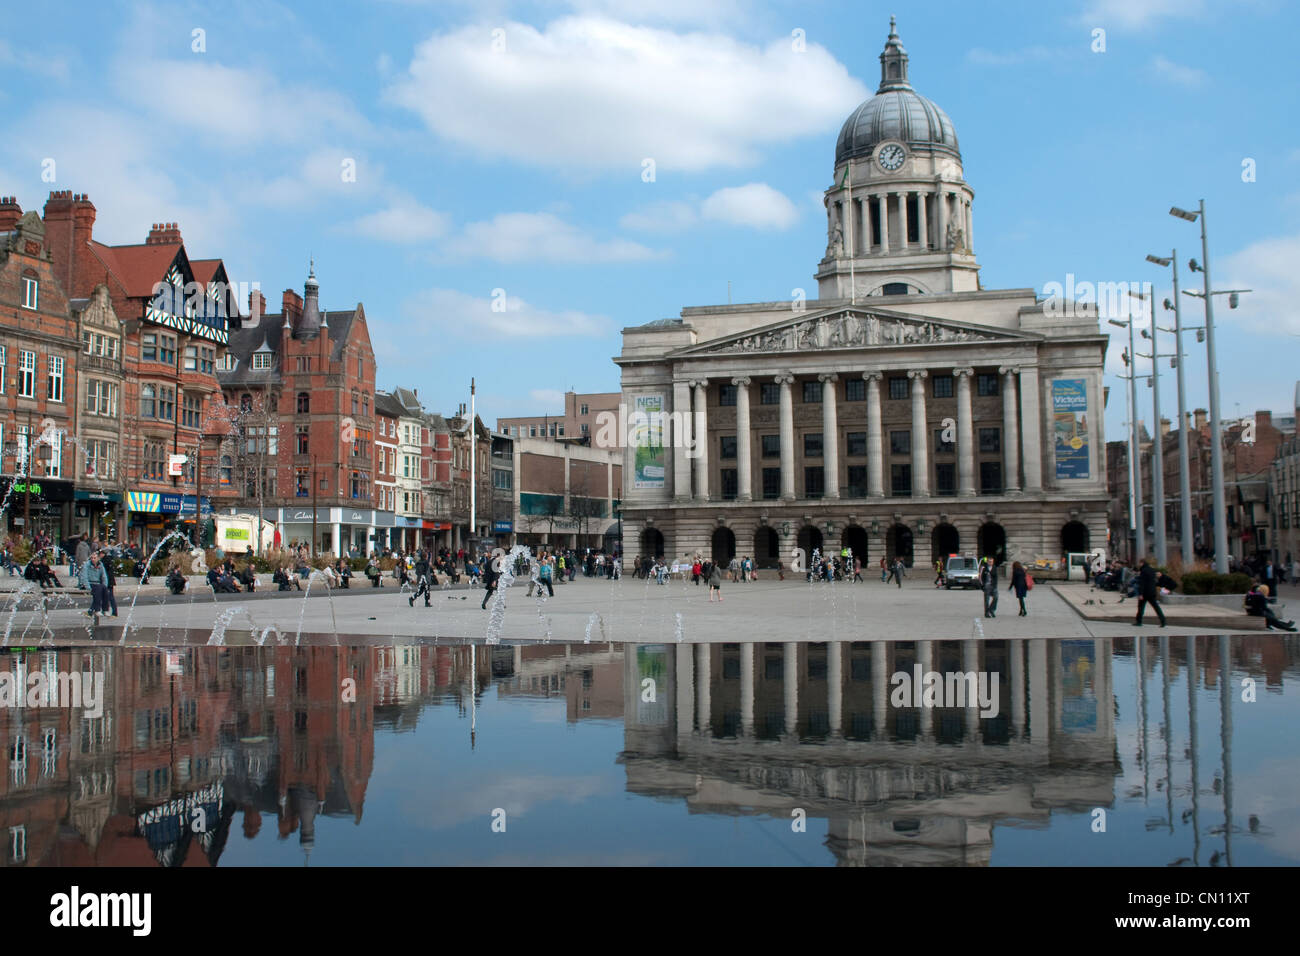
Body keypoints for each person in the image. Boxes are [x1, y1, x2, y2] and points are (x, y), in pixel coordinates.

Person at [1134, 559, 1167, 627]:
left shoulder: (1143, 571)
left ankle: (1139, 621)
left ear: (1142, 563)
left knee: (1140, 607)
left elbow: (1142, 583)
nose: (1139, 565)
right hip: (1152, 591)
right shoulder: (1152, 570)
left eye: (1139, 563)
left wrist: (1140, 593)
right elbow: (1158, 577)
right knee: (1156, 607)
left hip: (1145, 592)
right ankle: (1163, 621)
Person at [84, 552, 109, 620]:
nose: (93, 559)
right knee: (98, 590)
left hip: (97, 583)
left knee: (105, 591)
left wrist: (105, 585)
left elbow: (104, 576)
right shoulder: (87, 565)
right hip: (90, 583)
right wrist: (88, 587)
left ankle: (105, 610)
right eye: (91, 558)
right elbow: (84, 577)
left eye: (94, 558)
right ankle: (97, 610)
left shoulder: (101, 565)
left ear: (98, 558)